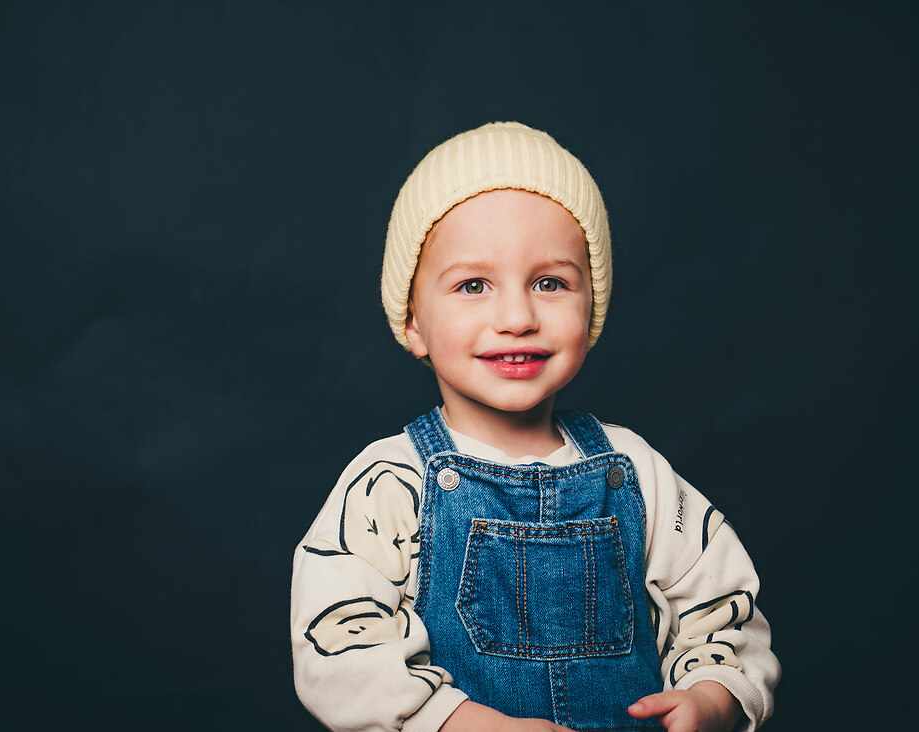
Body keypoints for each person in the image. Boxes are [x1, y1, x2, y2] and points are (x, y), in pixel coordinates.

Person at [290, 122, 779, 732]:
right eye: (473, 285)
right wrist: (462, 723)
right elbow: (338, 649)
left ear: (590, 307)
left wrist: (713, 695)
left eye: (550, 283)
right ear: (413, 322)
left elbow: (725, 610)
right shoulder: (389, 482)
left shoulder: (635, 472)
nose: (517, 317)